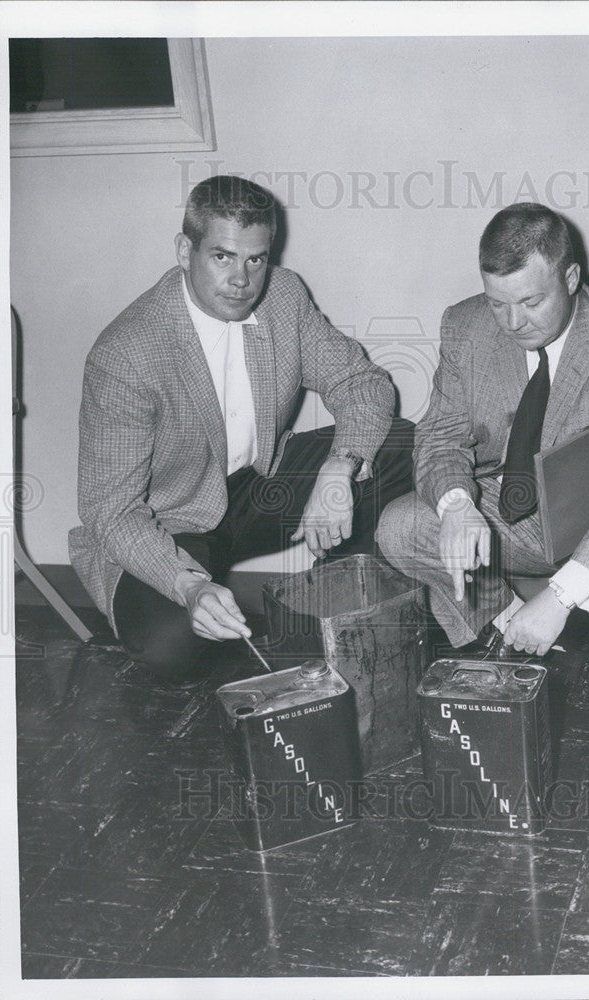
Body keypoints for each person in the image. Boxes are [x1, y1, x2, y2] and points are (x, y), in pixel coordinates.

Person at [70, 175, 413, 684]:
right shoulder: (126, 355)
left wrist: (340, 471)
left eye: (256, 259)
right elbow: (111, 511)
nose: (242, 280)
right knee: (172, 646)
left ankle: (339, 604)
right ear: (185, 251)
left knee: (403, 443)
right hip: (170, 523)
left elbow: (363, 384)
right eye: (223, 257)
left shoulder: (284, 297)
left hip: (256, 491)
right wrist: (187, 587)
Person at [376, 203, 589, 676]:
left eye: (531, 302)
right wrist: (457, 506)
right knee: (400, 528)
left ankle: (571, 608)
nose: (513, 322)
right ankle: (505, 624)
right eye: (498, 303)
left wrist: (558, 597)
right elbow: (440, 438)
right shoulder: (465, 326)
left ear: (572, 277)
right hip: (521, 507)